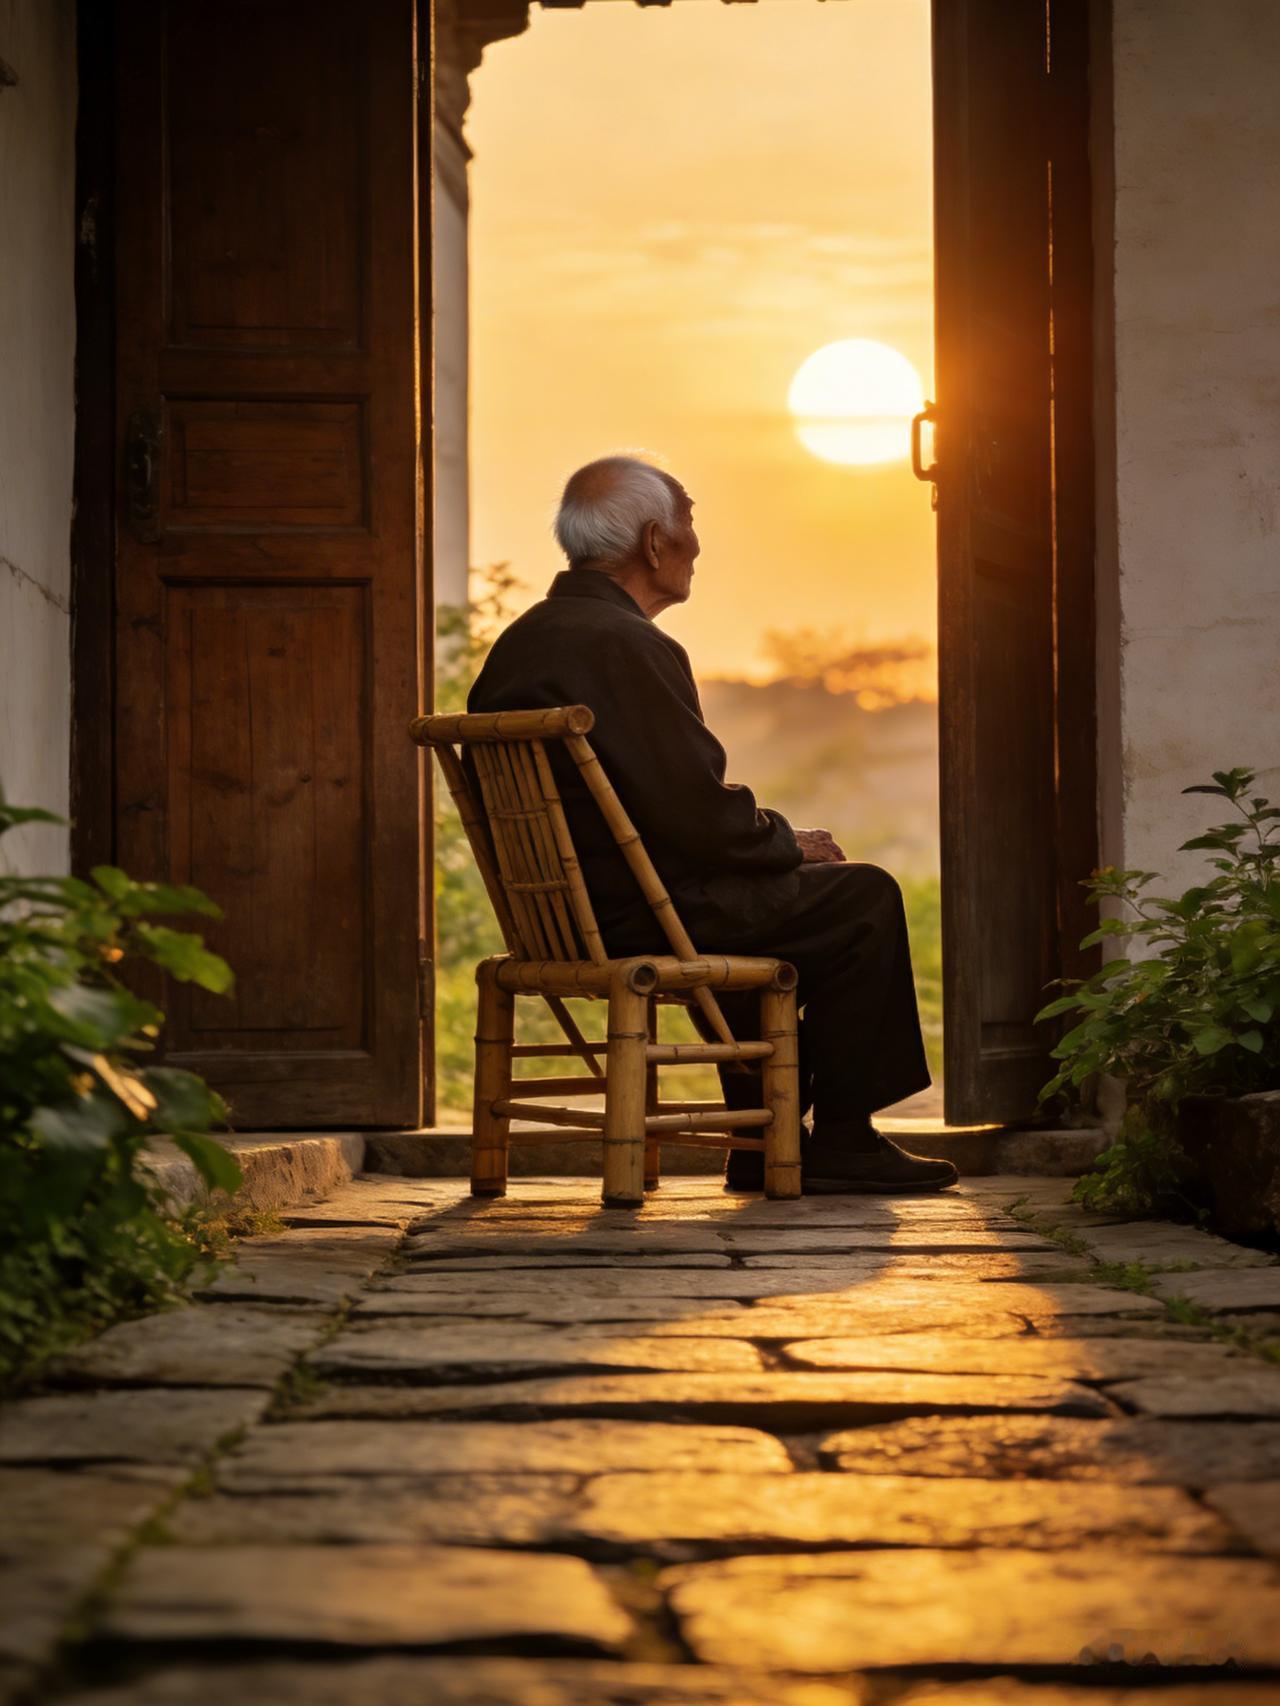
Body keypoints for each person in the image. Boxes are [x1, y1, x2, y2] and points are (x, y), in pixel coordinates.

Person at [467, 454, 956, 1193]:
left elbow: (673, 813)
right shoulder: (627, 643)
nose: (699, 543)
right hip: (640, 912)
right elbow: (701, 818)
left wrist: (768, 849)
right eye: (690, 522)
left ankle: (760, 1142)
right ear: (657, 542)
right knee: (863, 899)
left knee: (768, 894)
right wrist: (792, 842)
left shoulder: (525, 639)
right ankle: (847, 1140)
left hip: (567, 912)